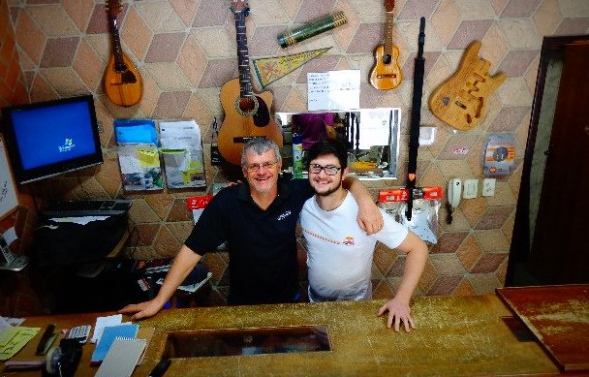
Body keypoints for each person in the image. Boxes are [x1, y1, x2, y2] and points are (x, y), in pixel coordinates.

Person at [120, 137, 383, 320]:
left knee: (288, 373)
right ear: (244, 171)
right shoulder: (226, 203)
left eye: (268, 164)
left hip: (289, 300)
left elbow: (341, 178)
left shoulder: (296, 192)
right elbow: (191, 252)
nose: (262, 172)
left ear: (279, 166)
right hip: (243, 304)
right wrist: (158, 300)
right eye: (254, 166)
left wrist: (365, 201)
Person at [300, 138, 428, 331]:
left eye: (331, 169)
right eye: (316, 167)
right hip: (317, 307)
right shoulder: (304, 206)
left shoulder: (365, 214)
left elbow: (418, 248)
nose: (322, 175)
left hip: (357, 309)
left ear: (344, 173)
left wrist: (402, 299)